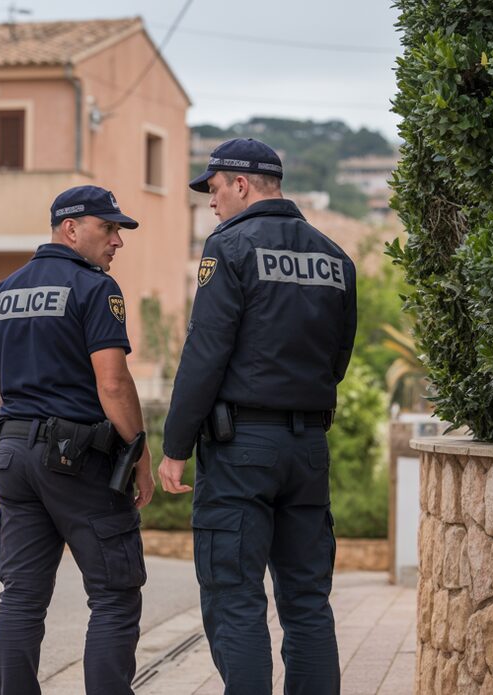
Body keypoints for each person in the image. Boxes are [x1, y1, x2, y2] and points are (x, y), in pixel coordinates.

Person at [158, 138, 357, 694]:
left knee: (235, 595)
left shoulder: (230, 247)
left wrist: (175, 447)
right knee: (307, 600)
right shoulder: (334, 256)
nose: (211, 203)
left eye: (215, 189)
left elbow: (204, 355)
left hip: (241, 448)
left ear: (241, 185)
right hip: (307, 449)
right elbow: (338, 357)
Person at [0, 184, 154, 695]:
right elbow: (113, 382)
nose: (117, 240)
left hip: (12, 452)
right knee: (115, 594)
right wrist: (139, 456)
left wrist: (2, 440)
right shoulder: (95, 289)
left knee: (22, 597)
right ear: (71, 228)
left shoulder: (2, 291)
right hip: (76, 457)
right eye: (108, 228)